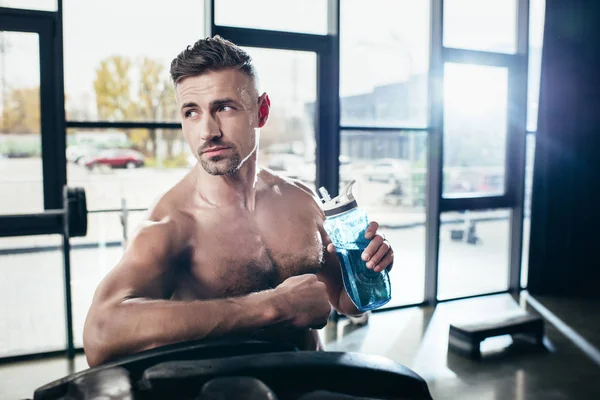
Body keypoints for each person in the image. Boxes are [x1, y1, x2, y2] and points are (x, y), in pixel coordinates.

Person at [82, 35, 394, 367]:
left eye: (224, 107)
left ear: (261, 111)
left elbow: (345, 300)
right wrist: (274, 306)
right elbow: (100, 335)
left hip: (306, 383)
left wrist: (371, 269)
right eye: (191, 112)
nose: (207, 131)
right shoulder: (172, 224)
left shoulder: (299, 200)